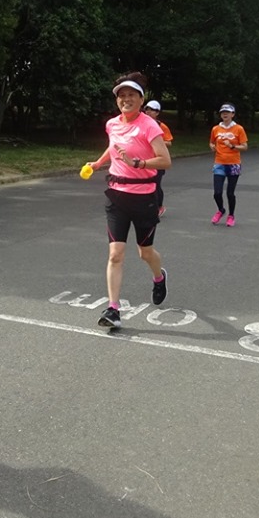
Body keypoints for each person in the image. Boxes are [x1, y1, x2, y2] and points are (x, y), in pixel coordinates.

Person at [84, 72, 172, 330]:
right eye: (121, 96)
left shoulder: (149, 126)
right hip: (116, 195)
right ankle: (113, 308)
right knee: (115, 254)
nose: (125, 99)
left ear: (141, 99)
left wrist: (140, 163)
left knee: (145, 253)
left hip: (144, 197)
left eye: (131, 95)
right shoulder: (113, 124)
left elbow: (165, 160)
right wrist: (99, 163)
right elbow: (113, 146)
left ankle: (159, 276)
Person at [209, 103, 248, 227]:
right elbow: (211, 142)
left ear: (233, 114)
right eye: (222, 112)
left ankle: (231, 215)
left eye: (227, 112)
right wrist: (212, 147)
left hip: (233, 163)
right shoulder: (216, 129)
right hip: (219, 163)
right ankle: (221, 210)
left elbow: (245, 146)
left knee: (230, 193)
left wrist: (232, 146)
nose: (224, 114)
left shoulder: (238, 129)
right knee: (217, 192)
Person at [143, 100, 173, 217]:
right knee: (146, 183)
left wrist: (156, 142)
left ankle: (159, 206)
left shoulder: (162, 126)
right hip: (146, 159)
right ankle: (148, 206)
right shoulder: (141, 124)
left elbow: (169, 142)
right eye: (146, 109)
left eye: (151, 110)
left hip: (159, 160)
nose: (148, 112)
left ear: (157, 112)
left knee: (156, 184)